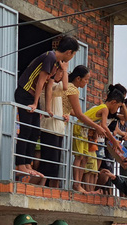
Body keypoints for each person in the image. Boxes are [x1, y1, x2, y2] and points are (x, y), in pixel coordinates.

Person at [15, 36, 79, 180]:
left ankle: (27, 164)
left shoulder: (56, 63)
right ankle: (20, 164)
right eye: (73, 54)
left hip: (31, 97)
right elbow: (40, 82)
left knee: (34, 130)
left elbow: (56, 87)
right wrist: (36, 104)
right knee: (26, 129)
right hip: (24, 93)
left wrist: (47, 108)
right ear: (69, 52)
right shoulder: (50, 56)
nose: (72, 57)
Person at [62, 65, 106, 192]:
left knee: (84, 157)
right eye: (86, 80)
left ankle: (78, 184)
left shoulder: (71, 88)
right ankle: (76, 184)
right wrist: (96, 126)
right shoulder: (72, 89)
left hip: (78, 126)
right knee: (80, 157)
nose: (87, 82)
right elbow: (80, 114)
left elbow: (73, 111)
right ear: (78, 78)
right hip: (77, 127)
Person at [79, 88, 124, 192]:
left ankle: (90, 190)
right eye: (118, 107)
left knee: (93, 169)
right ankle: (85, 189)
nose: (117, 109)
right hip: (87, 138)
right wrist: (113, 140)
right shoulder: (104, 108)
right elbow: (103, 126)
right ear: (113, 102)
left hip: (91, 140)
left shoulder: (105, 109)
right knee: (87, 166)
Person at [37, 62, 69, 188]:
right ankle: (39, 186)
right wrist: (65, 69)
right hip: (49, 129)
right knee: (48, 163)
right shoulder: (48, 87)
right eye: (60, 71)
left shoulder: (55, 87)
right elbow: (66, 86)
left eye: (63, 72)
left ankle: (48, 188)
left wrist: (65, 115)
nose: (61, 74)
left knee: (54, 164)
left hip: (57, 129)